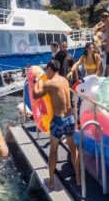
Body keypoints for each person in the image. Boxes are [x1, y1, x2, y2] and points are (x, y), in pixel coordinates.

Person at [32, 59, 79, 189]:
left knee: (53, 151)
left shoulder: (50, 83)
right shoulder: (64, 80)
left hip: (59, 120)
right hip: (70, 119)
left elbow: (35, 95)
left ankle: (51, 181)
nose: (46, 72)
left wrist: (36, 80)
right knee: (73, 149)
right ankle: (79, 179)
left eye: (47, 70)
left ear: (50, 69)